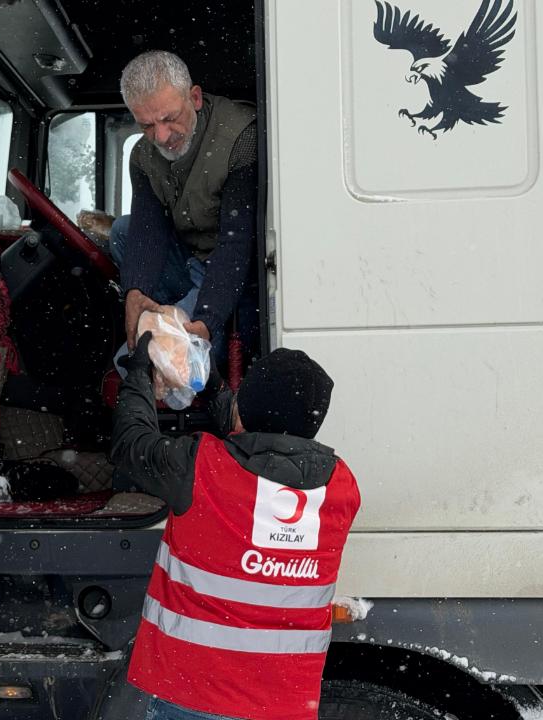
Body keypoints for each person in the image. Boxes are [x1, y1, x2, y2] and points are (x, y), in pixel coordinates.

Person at [110, 333, 361, 720]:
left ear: (247, 409)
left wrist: (139, 372)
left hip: (193, 693)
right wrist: (211, 385)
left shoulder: (201, 468)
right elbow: (264, 438)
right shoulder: (341, 488)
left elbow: (131, 442)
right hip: (284, 703)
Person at [113, 50, 262, 362]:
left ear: (194, 98)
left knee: (154, 361)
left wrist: (207, 318)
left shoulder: (240, 139)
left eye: (169, 118)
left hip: (232, 269)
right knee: (122, 230)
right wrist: (135, 291)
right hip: (191, 258)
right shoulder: (143, 157)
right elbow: (147, 229)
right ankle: (169, 312)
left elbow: (236, 244)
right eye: (147, 125)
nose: (162, 136)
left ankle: (187, 323)